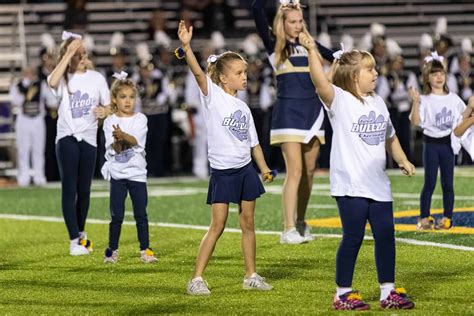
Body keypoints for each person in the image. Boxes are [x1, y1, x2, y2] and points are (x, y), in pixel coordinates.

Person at [299, 33, 416, 310]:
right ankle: (342, 293)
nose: (376, 73)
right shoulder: (339, 99)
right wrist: (311, 50)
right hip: (350, 184)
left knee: (386, 233)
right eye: (370, 69)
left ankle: (388, 292)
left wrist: (403, 159)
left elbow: (390, 137)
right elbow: (319, 81)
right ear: (353, 76)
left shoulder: (378, 102)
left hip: (378, 183)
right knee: (353, 237)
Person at [177, 20, 274, 295]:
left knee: (248, 224)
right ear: (223, 78)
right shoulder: (213, 97)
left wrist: (264, 168)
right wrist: (186, 46)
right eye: (239, 73)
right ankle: (196, 278)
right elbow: (197, 73)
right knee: (217, 225)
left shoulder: (244, 107)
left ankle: (250, 275)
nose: (245, 77)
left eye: (245, 72)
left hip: (245, 170)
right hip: (223, 172)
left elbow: (253, 143)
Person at [252, 0, 334, 244]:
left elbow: (337, 57)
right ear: (282, 23)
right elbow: (257, 9)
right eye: (293, 22)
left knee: (309, 172)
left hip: (313, 111)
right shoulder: (274, 45)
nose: (298, 26)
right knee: (295, 170)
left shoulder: (310, 44)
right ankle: (287, 229)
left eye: (300, 21)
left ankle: (300, 222)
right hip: (288, 113)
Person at [47, 31, 110, 256]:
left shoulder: (97, 78)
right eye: (78, 54)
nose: (82, 57)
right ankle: (73, 240)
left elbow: (110, 104)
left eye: (84, 53)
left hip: (89, 138)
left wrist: (105, 111)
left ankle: (81, 232)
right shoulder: (63, 77)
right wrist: (68, 52)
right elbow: (51, 81)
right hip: (67, 138)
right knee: (69, 188)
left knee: (85, 190)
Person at [409, 53, 472, 230]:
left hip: (447, 143)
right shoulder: (425, 99)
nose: (439, 77)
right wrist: (415, 102)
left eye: (442, 73)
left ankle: (447, 218)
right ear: (427, 78)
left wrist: (470, 107)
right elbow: (415, 122)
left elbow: (462, 117)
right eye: (435, 74)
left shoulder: (453, 98)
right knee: (429, 182)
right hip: (431, 144)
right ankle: (423, 218)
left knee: (448, 183)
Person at [101, 72, 158, 264]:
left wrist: (122, 135)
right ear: (115, 100)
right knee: (116, 215)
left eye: (131, 97)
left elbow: (135, 141)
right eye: (123, 97)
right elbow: (116, 149)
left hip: (137, 174)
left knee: (141, 213)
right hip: (118, 174)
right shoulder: (109, 122)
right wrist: (117, 139)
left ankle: (145, 250)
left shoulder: (141, 119)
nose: (127, 101)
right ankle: (112, 250)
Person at [9, 66, 56, 187]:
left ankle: (39, 176)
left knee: (38, 149)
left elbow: (52, 100)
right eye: (27, 72)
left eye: (31, 72)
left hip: (37, 120)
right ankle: (23, 177)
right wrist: (25, 90)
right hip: (23, 120)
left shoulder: (41, 84)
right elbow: (15, 101)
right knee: (23, 149)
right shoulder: (17, 85)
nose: (29, 74)